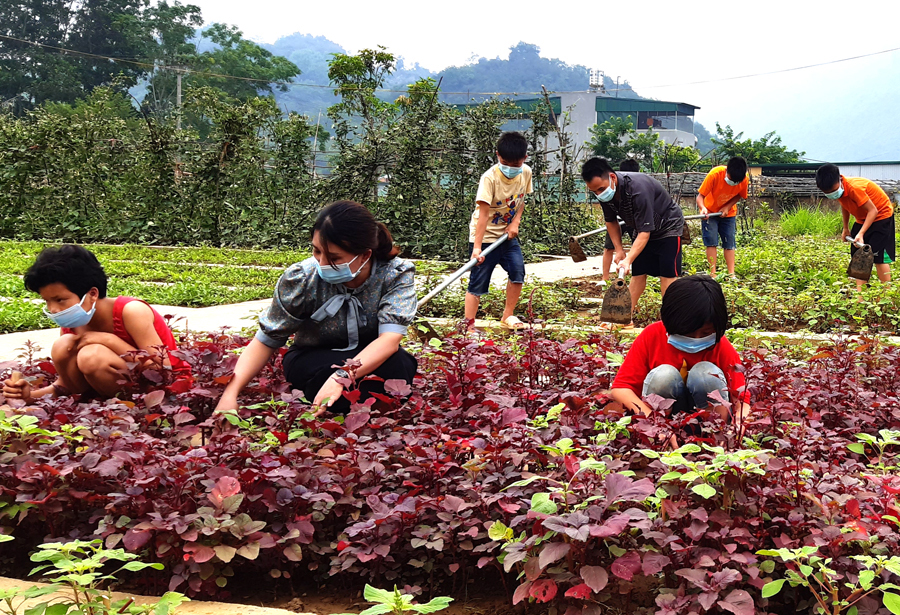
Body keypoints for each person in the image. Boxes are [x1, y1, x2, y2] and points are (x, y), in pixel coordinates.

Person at [215, 201, 417, 415]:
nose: (321, 263)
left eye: (334, 258)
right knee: (324, 378)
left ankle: (346, 406)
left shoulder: (394, 274)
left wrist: (341, 376)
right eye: (316, 251)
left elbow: (389, 341)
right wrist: (230, 394)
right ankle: (348, 407)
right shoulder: (302, 278)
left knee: (400, 364)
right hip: (312, 357)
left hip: (368, 357)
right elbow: (266, 340)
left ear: (365, 255)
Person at [2, 245, 189, 401]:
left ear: (92, 293)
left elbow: (162, 368)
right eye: (47, 301)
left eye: (60, 300)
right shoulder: (72, 320)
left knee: (92, 356)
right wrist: (30, 396)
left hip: (162, 390)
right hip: (108, 392)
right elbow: (65, 384)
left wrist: (106, 340)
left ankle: (134, 409)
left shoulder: (130, 311)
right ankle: (96, 405)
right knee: (63, 345)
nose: (53, 309)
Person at [610, 275, 749, 433]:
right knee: (664, 376)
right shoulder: (653, 335)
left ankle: (714, 432)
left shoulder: (719, 343)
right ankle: (664, 430)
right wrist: (653, 425)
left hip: (709, 420)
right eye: (688, 333)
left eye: (706, 332)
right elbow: (621, 388)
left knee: (706, 374)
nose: (697, 339)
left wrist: (739, 423)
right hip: (664, 421)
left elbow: (742, 397)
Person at [581, 157, 685, 326]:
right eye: (595, 192)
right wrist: (619, 250)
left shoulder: (637, 189)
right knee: (638, 274)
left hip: (668, 228)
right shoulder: (605, 194)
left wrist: (628, 259)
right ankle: (624, 318)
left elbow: (645, 232)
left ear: (612, 178)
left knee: (667, 276)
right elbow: (611, 222)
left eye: (601, 189)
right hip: (641, 227)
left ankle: (671, 322)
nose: (599, 194)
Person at [465, 131, 533, 331]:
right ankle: (468, 326)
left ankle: (507, 315)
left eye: (516, 165)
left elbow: (521, 201)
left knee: (517, 272)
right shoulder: (489, 178)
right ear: (497, 155)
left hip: (507, 237)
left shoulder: (526, 172)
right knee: (477, 282)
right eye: (506, 163)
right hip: (485, 237)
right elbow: (483, 215)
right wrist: (477, 248)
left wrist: (515, 223)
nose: (511, 168)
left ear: (524, 159)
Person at [816, 163, 895, 289]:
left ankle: (888, 292)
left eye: (833, 191)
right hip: (862, 218)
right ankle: (860, 296)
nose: (832, 194)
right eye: (827, 192)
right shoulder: (841, 191)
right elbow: (845, 205)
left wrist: (861, 233)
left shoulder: (854, 188)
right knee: (859, 254)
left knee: (877, 256)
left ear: (840, 180)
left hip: (881, 216)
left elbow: (873, 211)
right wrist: (846, 228)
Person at [696, 157, 748, 277]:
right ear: (727, 171)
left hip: (728, 214)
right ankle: (713, 274)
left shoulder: (744, 179)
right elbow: (700, 197)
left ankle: (731, 274)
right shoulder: (715, 174)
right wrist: (702, 208)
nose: (733, 183)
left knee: (729, 242)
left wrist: (728, 207)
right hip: (710, 213)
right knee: (711, 241)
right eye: (731, 180)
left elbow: (740, 195)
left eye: (736, 182)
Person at [600, 159, 640, 287]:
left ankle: (637, 275)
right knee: (609, 247)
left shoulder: (637, 186)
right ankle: (605, 278)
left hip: (634, 221)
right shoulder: (612, 186)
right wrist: (619, 249)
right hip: (616, 221)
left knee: (637, 246)